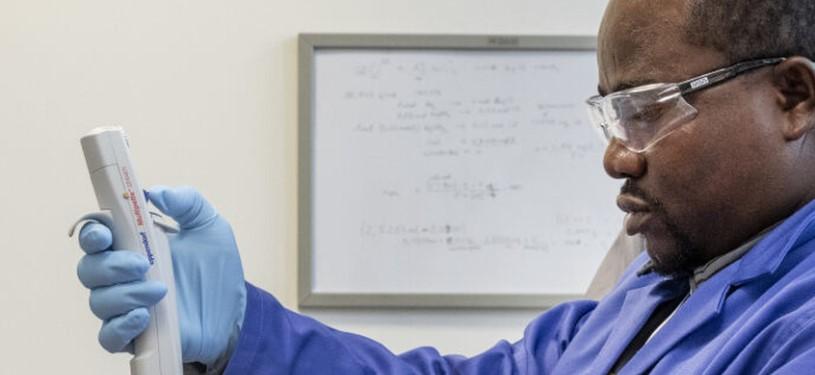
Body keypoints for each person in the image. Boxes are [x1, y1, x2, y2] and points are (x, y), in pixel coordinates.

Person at [73, 0, 815, 373]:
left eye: (648, 110)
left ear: (792, 97)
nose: (617, 158)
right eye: (611, 117)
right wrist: (243, 329)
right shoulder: (646, 291)